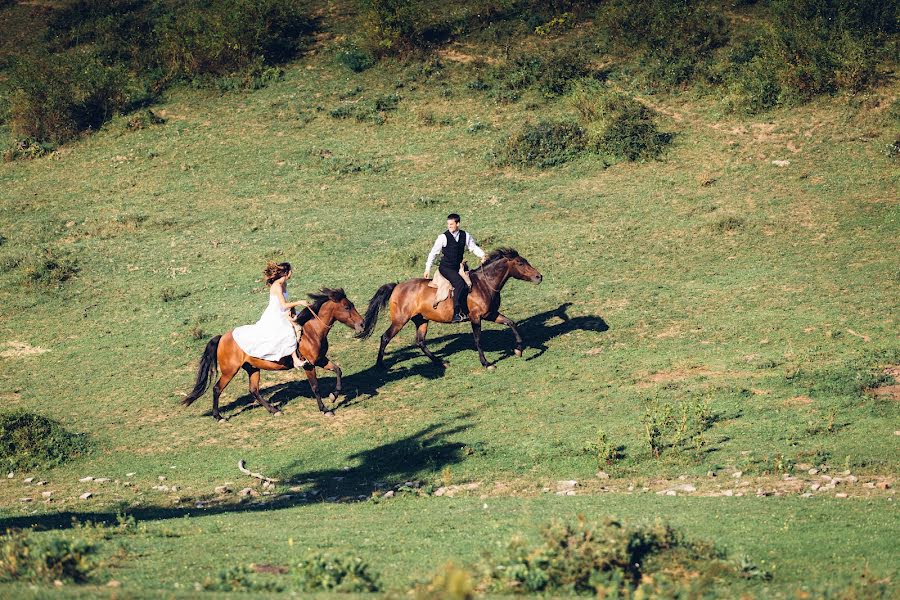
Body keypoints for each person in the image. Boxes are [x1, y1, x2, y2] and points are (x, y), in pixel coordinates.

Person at [232, 261, 310, 368]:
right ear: (286, 272)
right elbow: (283, 304)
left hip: (283, 312)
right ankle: (295, 359)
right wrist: (299, 302)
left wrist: (292, 308)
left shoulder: (284, 284)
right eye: (291, 270)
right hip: (276, 314)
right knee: (287, 331)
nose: (292, 272)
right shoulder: (277, 286)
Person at [424, 213, 486, 322]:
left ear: (458, 224)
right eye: (448, 224)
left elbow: (473, 247)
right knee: (459, 283)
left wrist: (482, 255)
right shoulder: (443, 237)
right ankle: (456, 313)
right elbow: (433, 253)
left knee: (470, 283)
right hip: (446, 268)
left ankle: (466, 308)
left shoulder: (465, 235)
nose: (449, 226)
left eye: (451, 224)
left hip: (458, 267)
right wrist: (427, 268)